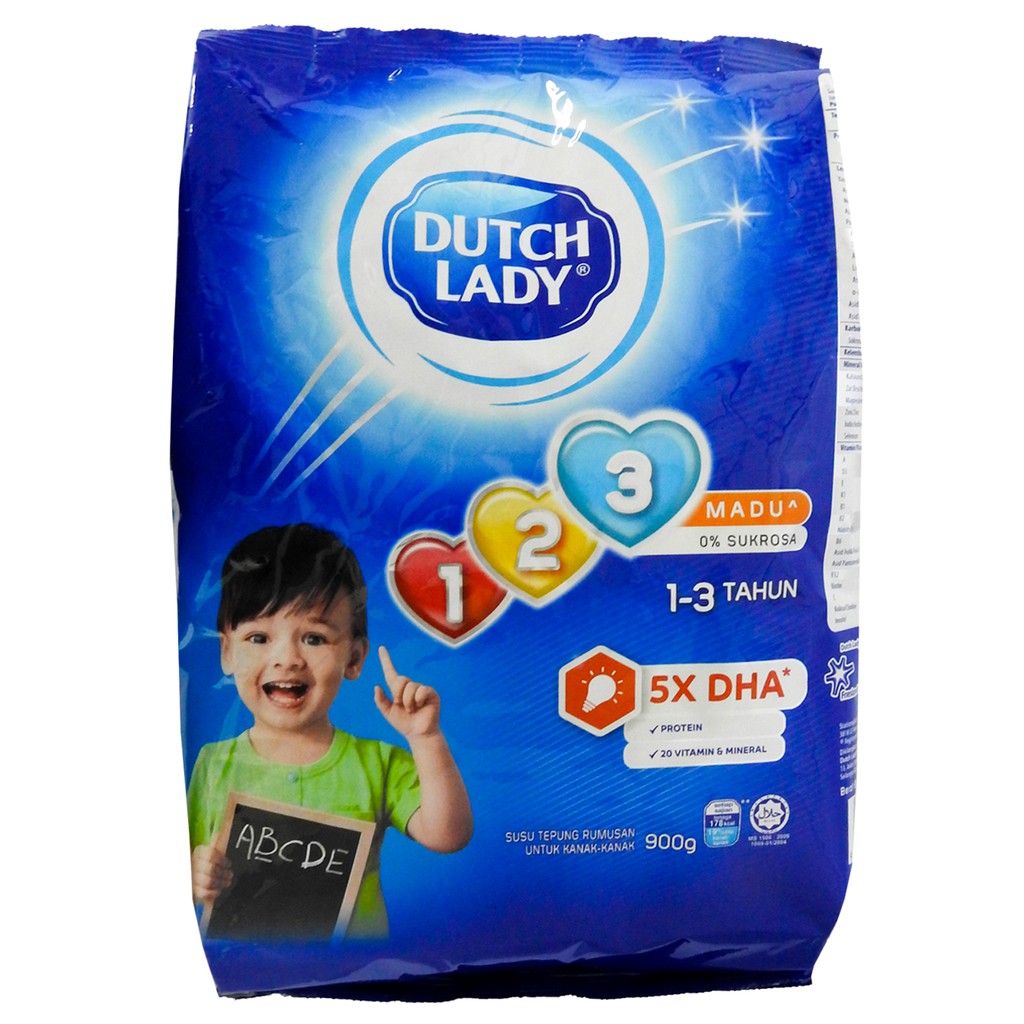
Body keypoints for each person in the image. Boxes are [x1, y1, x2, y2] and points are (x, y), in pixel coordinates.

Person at [187, 523, 473, 938]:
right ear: (227, 651)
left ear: (354, 658)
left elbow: (450, 835)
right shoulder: (212, 764)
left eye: (314, 638)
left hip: (358, 968)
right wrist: (197, 876)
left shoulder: (378, 765)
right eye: (259, 637)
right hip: (250, 967)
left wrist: (426, 739)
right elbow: (182, 873)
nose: (287, 658)